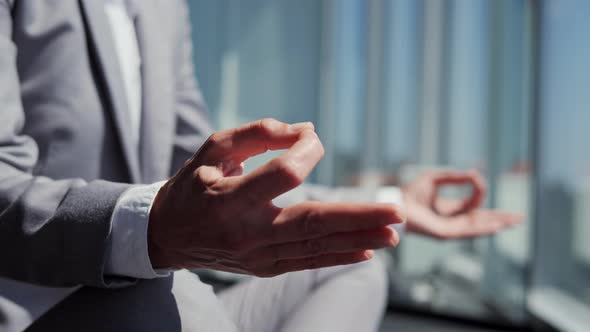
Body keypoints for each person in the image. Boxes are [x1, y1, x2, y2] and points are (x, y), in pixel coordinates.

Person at [0, 1, 521, 331]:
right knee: (161, 305)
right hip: (39, 304)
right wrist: (151, 229)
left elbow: (216, 179)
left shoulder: (162, 9)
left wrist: (391, 204)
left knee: (355, 263)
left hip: (153, 291)